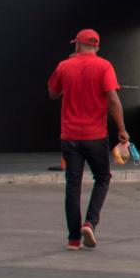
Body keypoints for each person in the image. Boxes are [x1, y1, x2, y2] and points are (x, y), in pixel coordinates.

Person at [48, 28, 126, 251]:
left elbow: (52, 92)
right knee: (102, 177)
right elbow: (112, 99)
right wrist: (122, 130)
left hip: (70, 136)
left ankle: (73, 238)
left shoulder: (64, 66)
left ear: (77, 45)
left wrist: (66, 85)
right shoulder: (104, 66)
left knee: (73, 185)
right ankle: (90, 223)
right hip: (95, 136)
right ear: (97, 47)